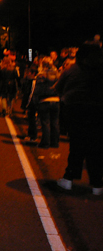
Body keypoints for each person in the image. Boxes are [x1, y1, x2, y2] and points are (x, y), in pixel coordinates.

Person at [55, 44, 103, 195]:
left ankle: (69, 178)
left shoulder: (73, 70)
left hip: (76, 111)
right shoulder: (100, 71)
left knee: (77, 145)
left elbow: (59, 88)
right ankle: (97, 184)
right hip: (98, 111)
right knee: (95, 147)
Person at [29, 57, 60, 148]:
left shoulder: (41, 75)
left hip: (45, 100)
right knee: (55, 122)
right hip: (56, 100)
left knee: (45, 122)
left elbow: (37, 90)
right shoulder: (57, 74)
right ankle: (55, 142)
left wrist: (35, 101)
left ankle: (45, 143)